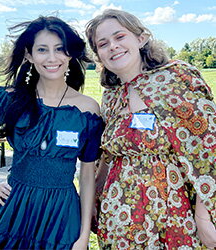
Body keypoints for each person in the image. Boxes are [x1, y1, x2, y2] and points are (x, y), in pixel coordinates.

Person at [0, 15, 104, 249]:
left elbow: (87, 175)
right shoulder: (8, 99)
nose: (52, 58)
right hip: (16, 208)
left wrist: (82, 237)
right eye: (42, 49)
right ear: (29, 55)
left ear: (70, 53)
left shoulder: (87, 109)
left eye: (60, 49)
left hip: (62, 214)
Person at [85, 9, 216, 249]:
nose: (112, 46)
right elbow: (108, 156)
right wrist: (93, 199)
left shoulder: (176, 78)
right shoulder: (112, 96)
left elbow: (208, 149)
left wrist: (203, 216)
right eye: (103, 44)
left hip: (172, 214)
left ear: (141, 38)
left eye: (119, 37)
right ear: (99, 55)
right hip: (118, 218)